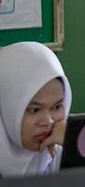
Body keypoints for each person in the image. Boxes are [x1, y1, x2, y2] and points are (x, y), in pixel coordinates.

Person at [0, 41, 71, 177]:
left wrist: (74, 143)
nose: (48, 121)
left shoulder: (60, 151)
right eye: (34, 110)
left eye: (56, 107)